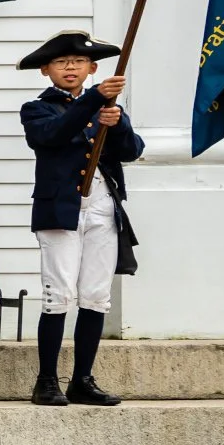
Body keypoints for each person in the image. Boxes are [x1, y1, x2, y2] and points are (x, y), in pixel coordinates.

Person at [19, 30, 140, 408]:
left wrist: (116, 121)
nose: (69, 67)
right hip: (61, 210)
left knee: (95, 296)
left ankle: (83, 379)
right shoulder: (37, 108)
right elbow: (53, 135)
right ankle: (47, 381)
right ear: (45, 70)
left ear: (92, 67)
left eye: (77, 62)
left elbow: (132, 150)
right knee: (60, 295)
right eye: (60, 62)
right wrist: (93, 100)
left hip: (104, 207)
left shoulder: (102, 107)